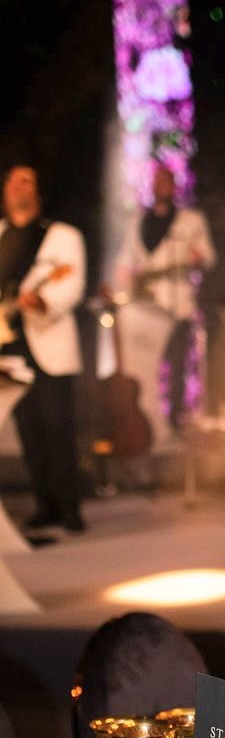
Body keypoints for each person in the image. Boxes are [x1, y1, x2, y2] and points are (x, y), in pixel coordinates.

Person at [0, 165, 86, 533]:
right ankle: (44, 504)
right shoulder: (1, 235)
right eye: (14, 180)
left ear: (38, 191)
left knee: (57, 428)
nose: (20, 187)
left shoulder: (61, 236)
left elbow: (72, 283)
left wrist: (43, 303)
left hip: (47, 341)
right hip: (9, 343)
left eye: (28, 180)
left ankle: (69, 507)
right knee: (28, 429)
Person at [113, 163, 216, 442]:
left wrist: (196, 258)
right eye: (157, 181)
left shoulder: (191, 220)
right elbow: (126, 260)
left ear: (174, 187)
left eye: (167, 182)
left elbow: (206, 256)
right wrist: (125, 279)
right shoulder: (139, 221)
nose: (162, 187)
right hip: (145, 306)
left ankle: (175, 421)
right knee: (144, 364)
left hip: (176, 305)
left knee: (177, 363)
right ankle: (145, 419)